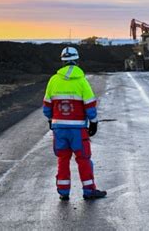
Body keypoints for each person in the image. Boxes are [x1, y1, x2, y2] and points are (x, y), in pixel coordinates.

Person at [43, 47, 107, 201]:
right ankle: (89, 191)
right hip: (78, 130)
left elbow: (46, 107)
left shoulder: (53, 80)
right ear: (77, 61)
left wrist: (52, 119)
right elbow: (90, 106)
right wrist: (93, 122)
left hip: (59, 130)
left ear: (62, 61)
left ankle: (63, 192)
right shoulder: (81, 81)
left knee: (62, 159)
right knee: (83, 159)